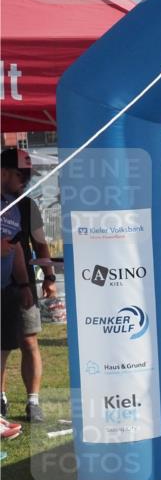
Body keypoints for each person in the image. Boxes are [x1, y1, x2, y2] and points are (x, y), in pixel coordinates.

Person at [0, 149, 56, 422]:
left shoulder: (27, 205)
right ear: (3, 172)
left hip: (22, 283)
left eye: (28, 175)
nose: (26, 180)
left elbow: (39, 243)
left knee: (29, 340)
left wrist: (49, 276)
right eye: (20, 174)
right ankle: (1, 398)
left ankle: (33, 401)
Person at [1, 186, 33, 433]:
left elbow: (17, 248)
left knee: (2, 350)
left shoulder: (12, 205)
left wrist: (24, 284)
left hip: (5, 289)